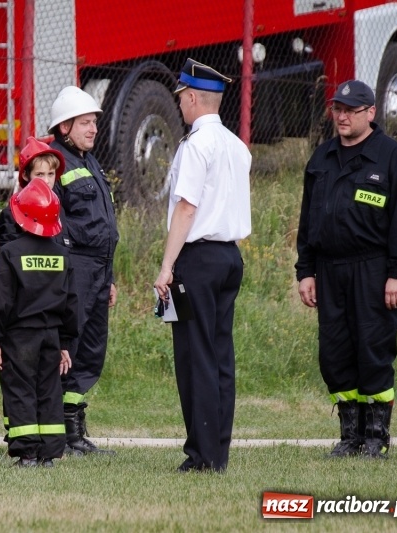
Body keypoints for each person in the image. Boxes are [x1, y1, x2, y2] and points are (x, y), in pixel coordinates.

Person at [295, 79, 397, 459]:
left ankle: (376, 436)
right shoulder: (321, 159)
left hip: (374, 270)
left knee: (373, 348)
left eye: (351, 110)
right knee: (335, 353)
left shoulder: (391, 157)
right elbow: (307, 222)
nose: (342, 116)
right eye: (338, 109)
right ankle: (350, 435)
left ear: (370, 113)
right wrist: (306, 271)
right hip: (329, 270)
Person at [153, 58, 252, 473]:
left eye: (181, 99)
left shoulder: (197, 145)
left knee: (196, 358)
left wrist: (166, 266)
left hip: (198, 258)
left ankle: (201, 455)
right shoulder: (236, 145)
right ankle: (218, 452)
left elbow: (187, 209)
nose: (180, 106)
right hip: (229, 255)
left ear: (192, 97)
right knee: (220, 357)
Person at [48, 86, 119, 455]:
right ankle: (61, 433)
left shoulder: (89, 161)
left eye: (94, 122)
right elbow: (56, 227)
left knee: (91, 350)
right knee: (69, 348)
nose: (93, 129)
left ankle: (74, 431)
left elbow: (103, 225)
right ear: (64, 127)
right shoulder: (54, 163)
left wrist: (109, 279)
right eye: (85, 122)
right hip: (75, 272)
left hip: (98, 273)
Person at [0, 178, 79, 467]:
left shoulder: (10, 253)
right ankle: (49, 454)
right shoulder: (63, 255)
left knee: (20, 390)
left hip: (19, 337)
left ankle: (27, 453)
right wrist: (65, 342)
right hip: (51, 336)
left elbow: (1, 301)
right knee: (49, 390)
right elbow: (71, 303)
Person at [0, 136, 64, 248]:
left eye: (50, 174)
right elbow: (9, 255)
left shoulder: (58, 206)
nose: (46, 181)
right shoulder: (13, 213)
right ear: (25, 175)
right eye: (39, 174)